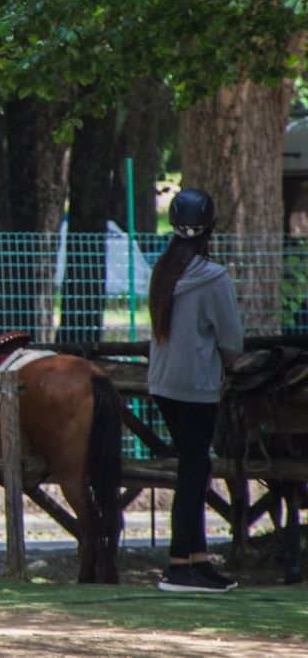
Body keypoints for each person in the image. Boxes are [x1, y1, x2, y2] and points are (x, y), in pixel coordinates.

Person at [147, 188, 243, 593]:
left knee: (195, 465)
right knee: (193, 471)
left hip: (162, 384)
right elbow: (232, 341)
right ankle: (177, 565)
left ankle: (197, 559)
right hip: (197, 388)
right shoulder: (214, 277)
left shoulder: (163, 272)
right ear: (210, 230)